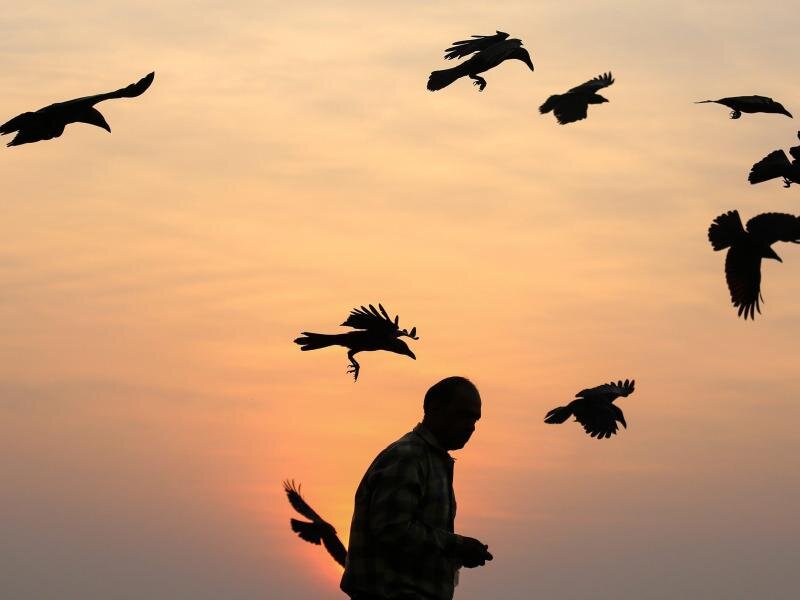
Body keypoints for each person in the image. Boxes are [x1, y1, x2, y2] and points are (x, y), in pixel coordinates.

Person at [341, 376, 492, 600]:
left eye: (475, 420)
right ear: (435, 409)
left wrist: (457, 555)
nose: (471, 427)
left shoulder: (432, 462)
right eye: (464, 415)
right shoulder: (408, 457)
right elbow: (392, 529)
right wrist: (457, 546)